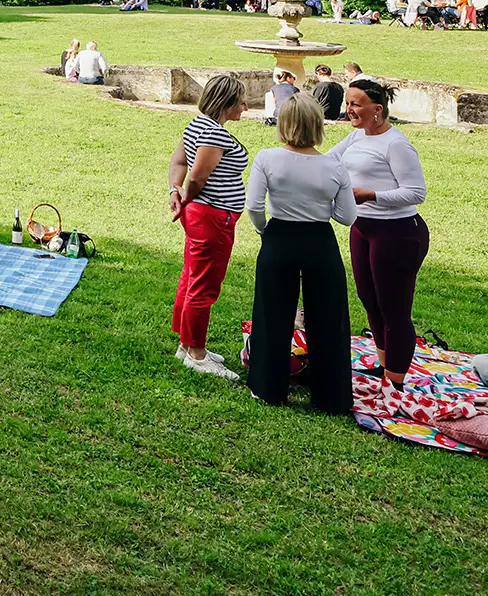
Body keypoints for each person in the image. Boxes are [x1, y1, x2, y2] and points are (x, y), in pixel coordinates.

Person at [245, 95, 356, 413]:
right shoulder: (333, 165)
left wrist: (265, 230)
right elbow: (347, 216)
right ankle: (331, 395)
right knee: (329, 316)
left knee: (271, 313)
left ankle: (267, 387)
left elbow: (253, 206)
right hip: (319, 239)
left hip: (280, 235)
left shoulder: (267, 158)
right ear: (318, 126)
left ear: (283, 124)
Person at [330, 78, 428, 386]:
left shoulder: (396, 144)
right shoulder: (356, 137)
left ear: (377, 109)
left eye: (356, 104)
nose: (349, 110)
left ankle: (395, 381)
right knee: (369, 297)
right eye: (348, 104)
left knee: (394, 307)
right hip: (362, 228)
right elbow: (328, 162)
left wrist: (370, 195)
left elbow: (416, 192)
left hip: (396, 233)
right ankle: (384, 366)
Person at [167, 74, 249, 379]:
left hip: (203, 216)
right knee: (204, 285)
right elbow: (198, 176)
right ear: (225, 103)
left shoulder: (197, 125)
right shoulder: (214, 134)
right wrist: (184, 192)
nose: (245, 105)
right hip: (212, 218)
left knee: (191, 277)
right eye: (240, 101)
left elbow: (178, 162)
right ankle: (197, 355)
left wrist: (175, 191)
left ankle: (186, 344)